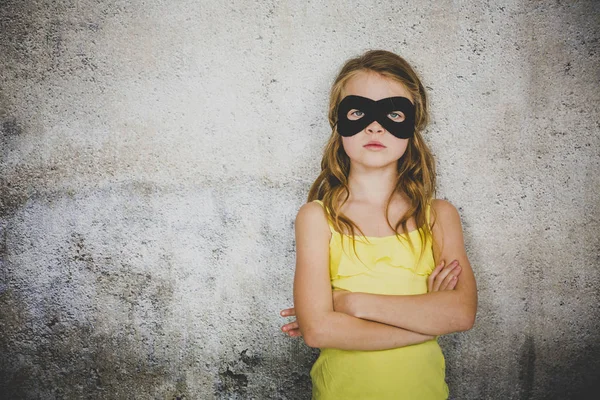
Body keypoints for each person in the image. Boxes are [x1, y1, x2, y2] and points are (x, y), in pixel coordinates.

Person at [279, 49, 478, 399]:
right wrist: (427, 324)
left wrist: (352, 303)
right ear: (338, 122)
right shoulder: (316, 219)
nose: (374, 125)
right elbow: (318, 331)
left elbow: (461, 314)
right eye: (358, 111)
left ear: (412, 126)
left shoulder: (439, 217)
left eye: (393, 113)